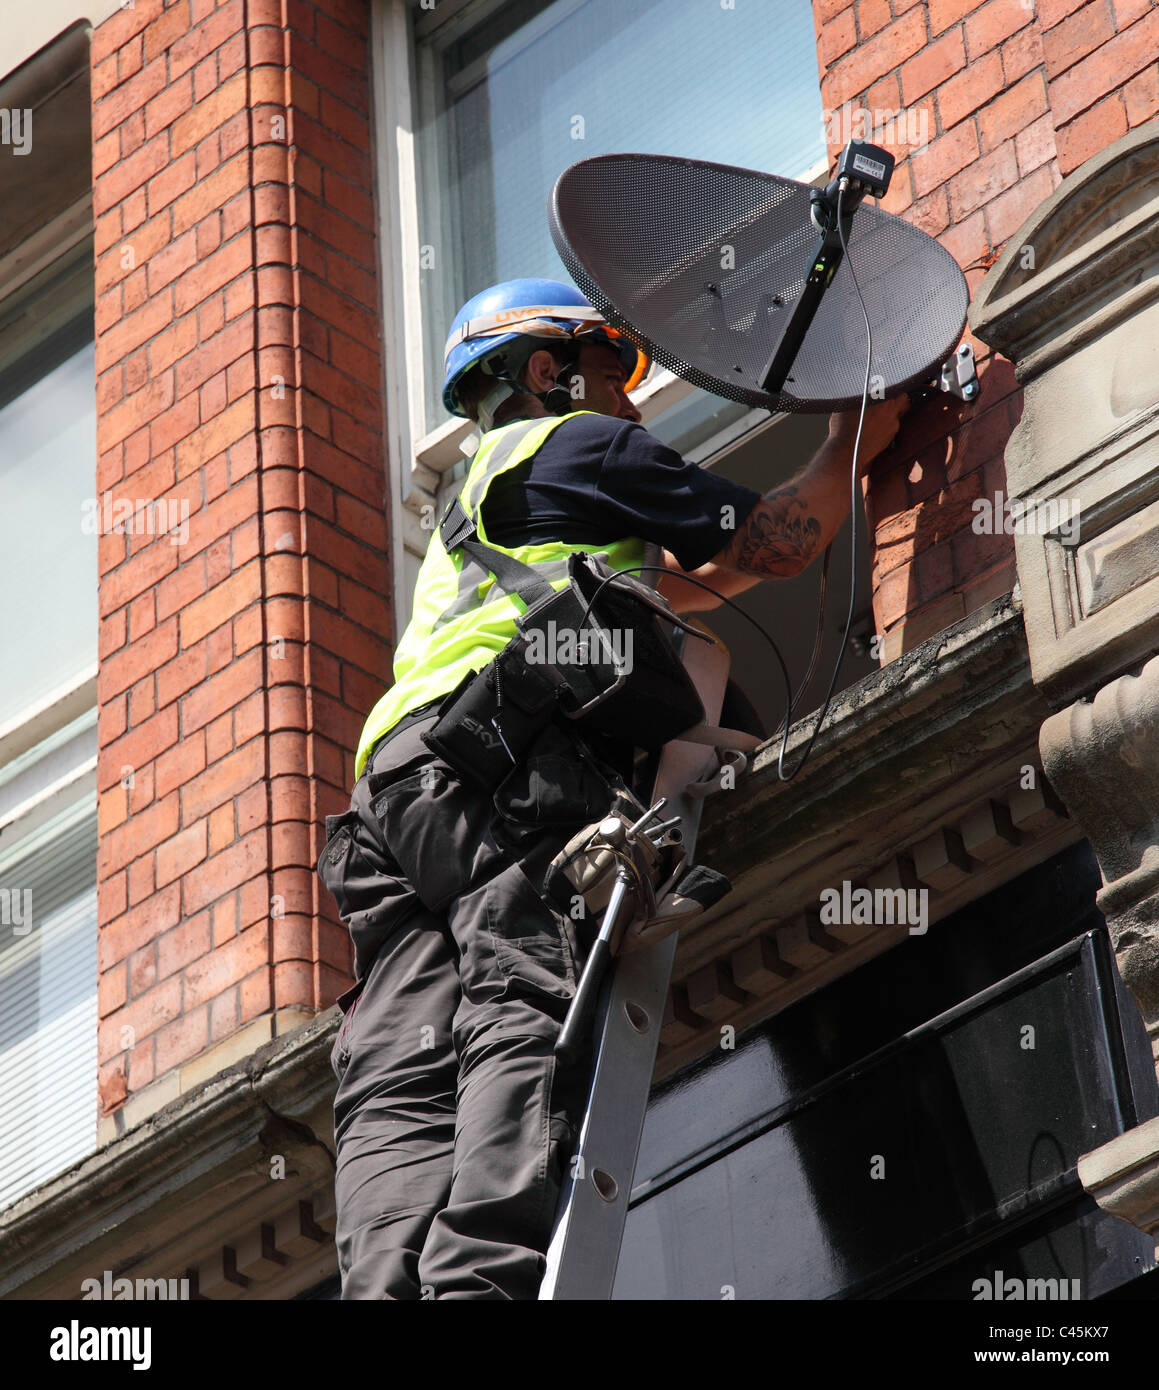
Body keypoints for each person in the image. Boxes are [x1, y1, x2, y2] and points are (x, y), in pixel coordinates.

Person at [317, 278, 908, 1299]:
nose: (634, 405)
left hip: (389, 794)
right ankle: (474, 1284)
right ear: (549, 373)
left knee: (399, 1075)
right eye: (614, 377)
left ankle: (384, 1286)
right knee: (517, 999)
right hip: (501, 769)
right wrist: (861, 430)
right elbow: (773, 541)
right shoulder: (584, 445)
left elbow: (649, 585)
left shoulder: (478, 490)